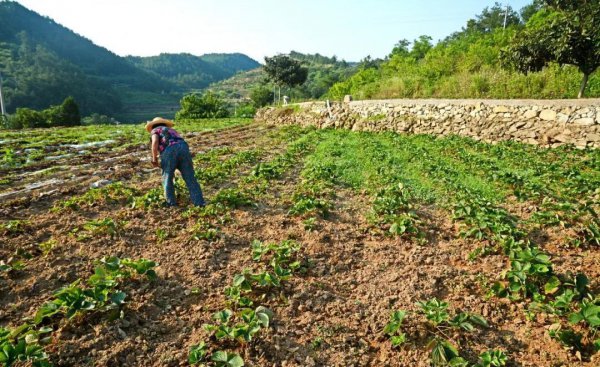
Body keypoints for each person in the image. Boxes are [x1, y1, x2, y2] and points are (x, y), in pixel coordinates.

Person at [145, 117, 205, 207]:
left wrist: (154, 158)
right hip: (183, 147)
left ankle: (171, 204)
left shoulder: (155, 130)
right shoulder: (171, 130)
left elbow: (155, 142)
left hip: (169, 150)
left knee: (167, 177)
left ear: (153, 125)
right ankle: (199, 203)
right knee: (190, 177)